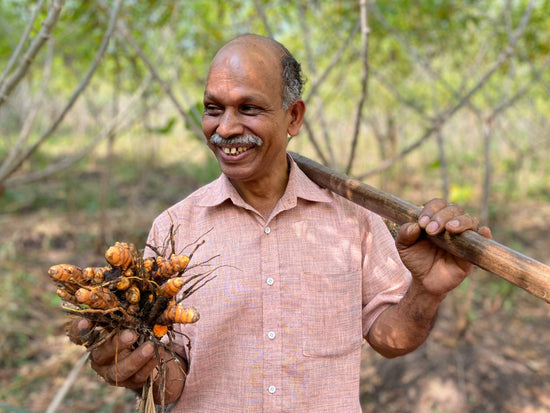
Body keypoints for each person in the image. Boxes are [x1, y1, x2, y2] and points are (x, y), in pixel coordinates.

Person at [69, 34, 491, 411]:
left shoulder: (353, 219)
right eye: (214, 109)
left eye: (249, 108)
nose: (226, 128)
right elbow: (171, 378)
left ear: (294, 117)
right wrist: (134, 362)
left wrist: (427, 292)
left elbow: (391, 339)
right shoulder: (175, 227)